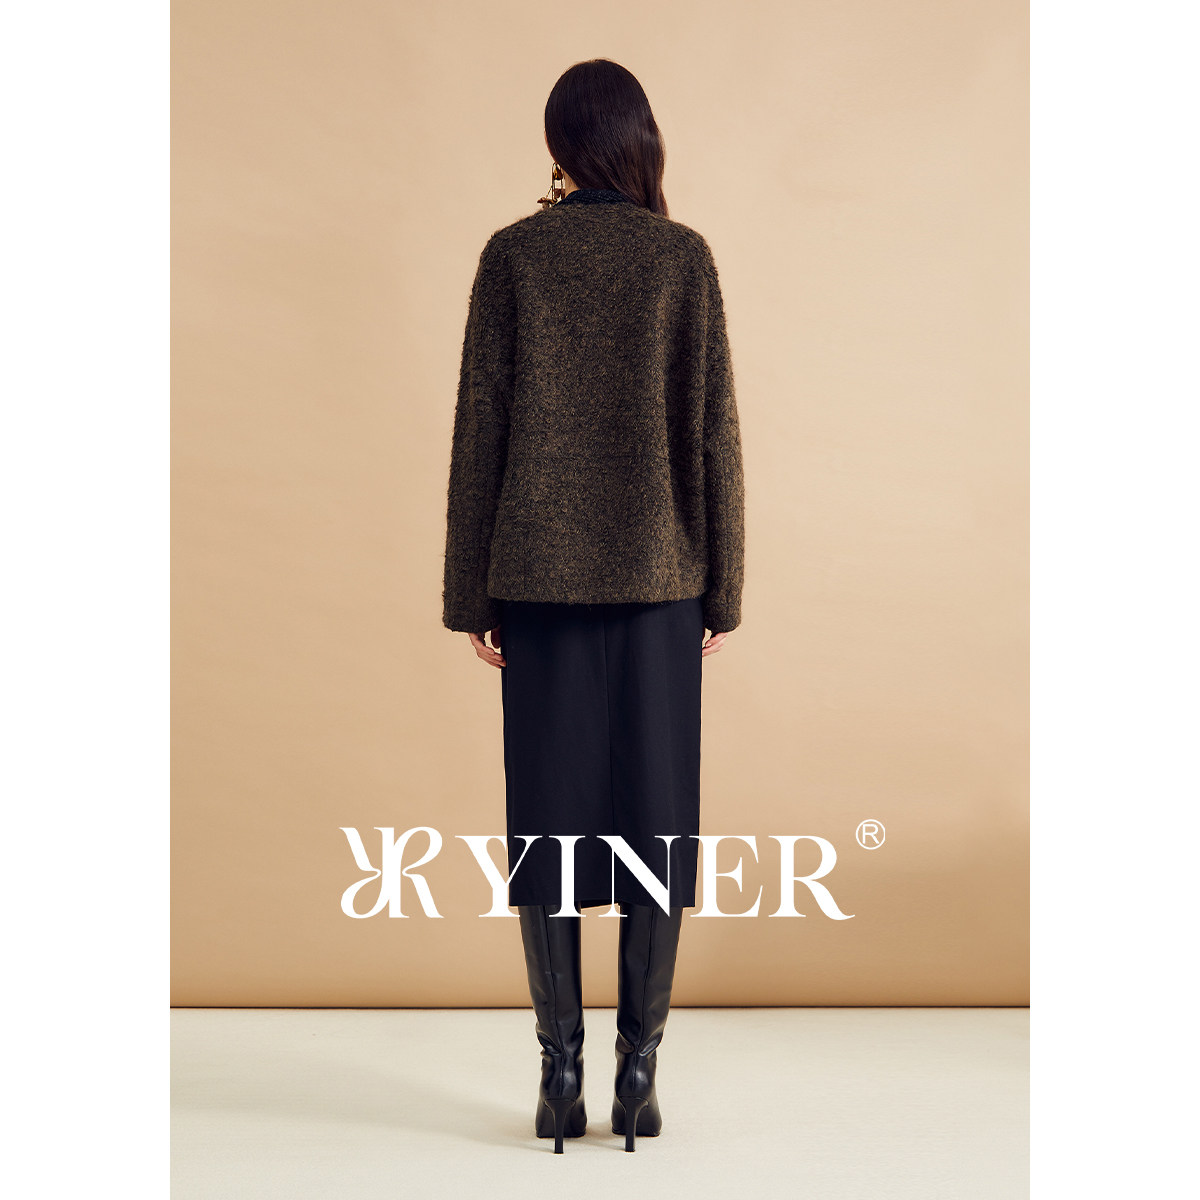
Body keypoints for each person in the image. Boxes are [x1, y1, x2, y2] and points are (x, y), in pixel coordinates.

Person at [441, 58, 745, 1154]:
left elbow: (481, 429)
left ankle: (559, 1075)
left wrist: (470, 592)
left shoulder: (513, 256)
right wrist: (723, 591)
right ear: (641, 140)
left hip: (540, 584)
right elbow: (715, 435)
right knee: (657, 824)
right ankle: (639, 1075)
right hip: (662, 584)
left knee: (550, 825)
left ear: (560, 146)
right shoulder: (681, 257)